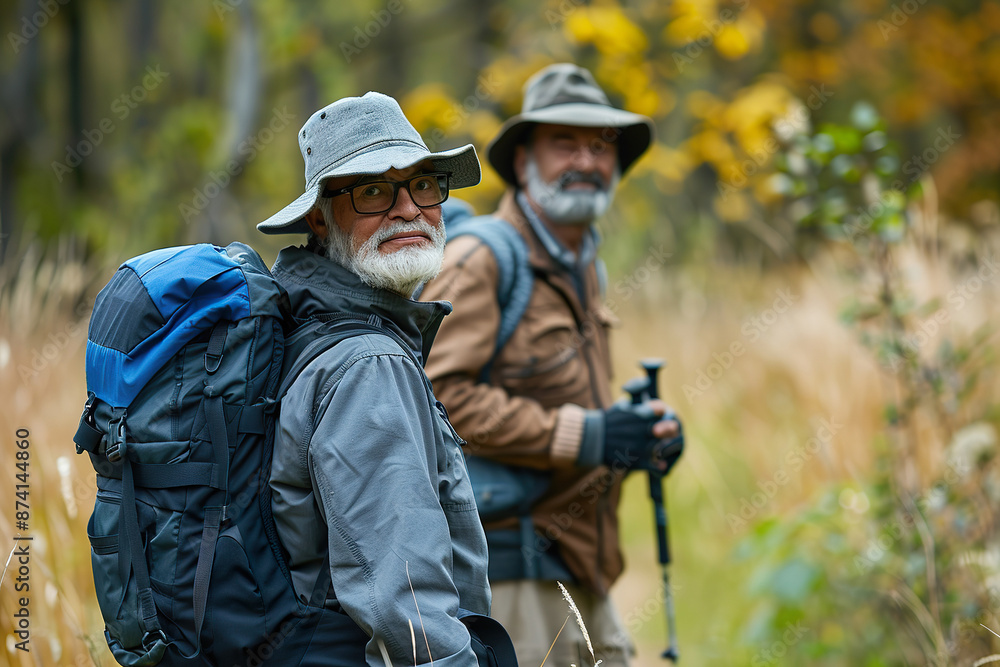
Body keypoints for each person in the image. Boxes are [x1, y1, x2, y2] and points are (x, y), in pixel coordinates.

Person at [418, 64, 683, 666]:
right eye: (565, 142)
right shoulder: (482, 259)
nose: (586, 160)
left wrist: (636, 440)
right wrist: (583, 434)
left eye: (600, 146)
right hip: (511, 573)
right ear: (524, 161)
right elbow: (438, 399)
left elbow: (569, 410)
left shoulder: (583, 266)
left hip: (582, 566)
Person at [256, 91, 500, 666]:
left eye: (423, 185)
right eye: (372, 190)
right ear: (319, 216)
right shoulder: (368, 363)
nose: (409, 209)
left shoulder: (305, 324)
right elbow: (408, 605)